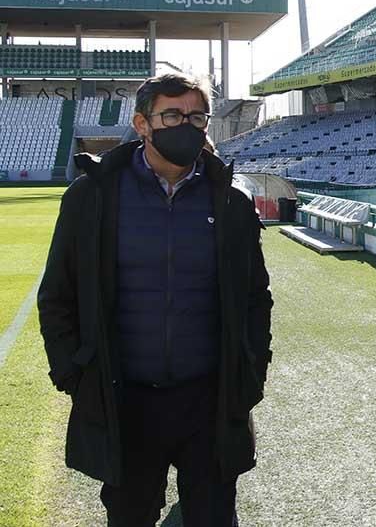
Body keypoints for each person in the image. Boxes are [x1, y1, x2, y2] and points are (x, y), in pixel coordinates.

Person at [37, 73, 274, 527]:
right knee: (129, 516)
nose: (187, 124)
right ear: (142, 124)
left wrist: (251, 370)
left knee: (213, 517)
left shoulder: (231, 201)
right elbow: (58, 297)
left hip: (209, 399)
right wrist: (74, 374)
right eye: (172, 115)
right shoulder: (92, 197)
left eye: (196, 115)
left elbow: (254, 298)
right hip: (126, 400)